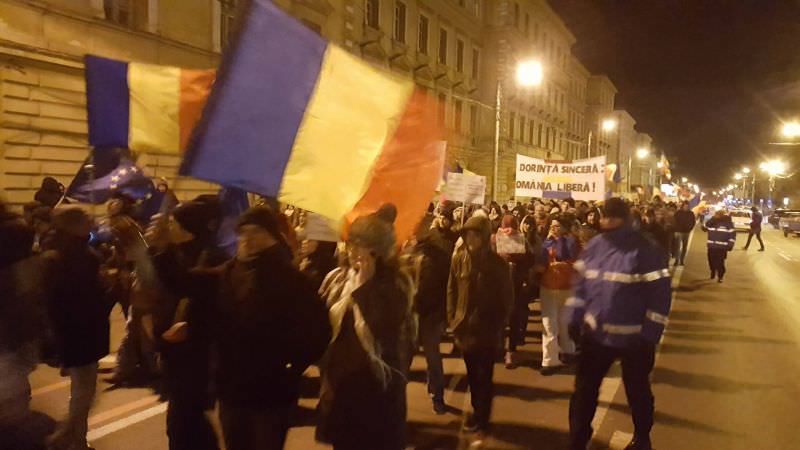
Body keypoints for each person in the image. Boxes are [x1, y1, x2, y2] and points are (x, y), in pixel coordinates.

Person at [153, 205, 330, 449]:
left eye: (256, 231)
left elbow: (318, 330)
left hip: (271, 392)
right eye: (243, 232)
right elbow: (185, 283)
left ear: (272, 236)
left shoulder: (292, 280)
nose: (248, 238)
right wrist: (162, 251)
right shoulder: (228, 272)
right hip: (231, 389)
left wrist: (292, 366)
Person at [566, 198, 672, 450]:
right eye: (605, 216)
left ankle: (642, 437)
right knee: (583, 393)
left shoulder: (646, 248)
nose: (606, 221)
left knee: (638, 392)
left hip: (634, 339)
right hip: (596, 336)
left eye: (612, 216)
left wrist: (650, 334)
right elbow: (581, 285)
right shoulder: (595, 245)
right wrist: (573, 317)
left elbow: (659, 295)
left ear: (623, 218)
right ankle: (578, 440)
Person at [317, 205, 416, 450]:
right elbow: (321, 327)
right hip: (342, 387)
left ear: (378, 252)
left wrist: (365, 286)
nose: (353, 252)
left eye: (361, 246)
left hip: (378, 390)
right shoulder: (337, 280)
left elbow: (385, 327)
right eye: (352, 244)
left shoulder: (397, 283)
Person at [147, 197, 229, 450]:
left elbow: (189, 285)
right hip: (174, 353)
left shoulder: (213, 257)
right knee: (184, 423)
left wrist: (191, 327)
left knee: (185, 423)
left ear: (188, 227)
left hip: (199, 356)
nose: (168, 226)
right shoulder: (175, 252)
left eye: (173, 222)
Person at [41, 208, 111, 450]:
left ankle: (74, 438)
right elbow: (72, 298)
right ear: (75, 226)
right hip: (80, 332)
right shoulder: (75, 256)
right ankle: (68, 438)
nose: (91, 223)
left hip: (74, 332)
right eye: (86, 220)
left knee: (83, 389)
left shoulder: (59, 253)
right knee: (85, 391)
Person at [447, 215, 513, 439]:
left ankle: (483, 417)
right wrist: (453, 319)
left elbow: (507, 299)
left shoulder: (497, 264)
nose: (471, 238)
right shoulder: (459, 259)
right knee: (472, 375)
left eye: (475, 234)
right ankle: (477, 411)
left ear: (485, 237)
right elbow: (452, 290)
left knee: (484, 376)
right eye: (468, 234)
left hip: (486, 330)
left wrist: (497, 326)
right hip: (465, 328)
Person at [412, 204, 457, 414]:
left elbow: (447, 281)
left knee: (432, 356)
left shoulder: (443, 246)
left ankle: (437, 395)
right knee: (403, 359)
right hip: (411, 312)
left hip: (432, 310)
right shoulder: (412, 250)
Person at [539, 216, 580, 376]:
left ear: (564, 227)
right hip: (549, 287)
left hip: (566, 287)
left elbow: (565, 253)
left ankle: (568, 350)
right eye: (551, 225)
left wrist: (556, 240)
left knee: (563, 322)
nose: (553, 228)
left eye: (556, 226)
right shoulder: (547, 241)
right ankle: (549, 360)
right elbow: (542, 259)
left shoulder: (570, 241)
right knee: (549, 324)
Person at [493, 214, 533, 369]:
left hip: (512, 284)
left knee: (510, 317)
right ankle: (507, 348)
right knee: (505, 318)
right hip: (505, 284)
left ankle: (508, 349)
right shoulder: (495, 239)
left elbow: (530, 260)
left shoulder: (522, 240)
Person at [705, 210, 736, 282]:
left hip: (722, 247)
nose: (715, 215)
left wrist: (730, 245)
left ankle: (720, 276)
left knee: (720, 262)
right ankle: (713, 270)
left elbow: (732, 235)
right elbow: (705, 226)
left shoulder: (728, 223)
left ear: (721, 215)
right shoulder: (712, 222)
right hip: (712, 246)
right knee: (711, 261)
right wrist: (713, 218)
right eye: (715, 214)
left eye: (717, 214)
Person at [673, 201, 696, 266]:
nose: (686, 207)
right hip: (678, 231)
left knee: (684, 247)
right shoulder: (678, 212)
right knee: (677, 246)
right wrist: (675, 229)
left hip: (686, 232)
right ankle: (676, 260)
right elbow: (674, 220)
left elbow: (693, 222)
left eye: (687, 206)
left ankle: (682, 260)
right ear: (682, 206)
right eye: (685, 206)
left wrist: (690, 228)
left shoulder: (691, 213)